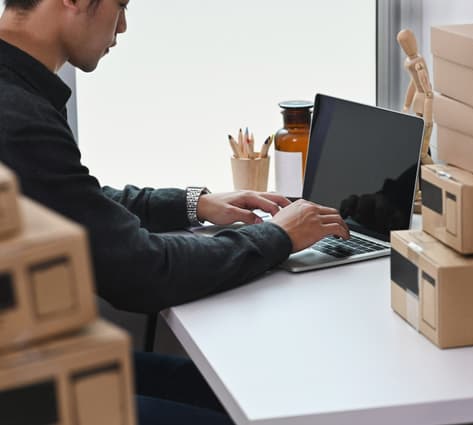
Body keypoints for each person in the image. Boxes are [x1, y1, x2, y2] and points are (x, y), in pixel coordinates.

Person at [0, 0, 349, 424]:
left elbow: (72, 202)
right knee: (258, 407)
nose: (123, 26)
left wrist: (193, 204)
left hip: (24, 363)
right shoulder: (17, 116)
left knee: (241, 391)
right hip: (21, 390)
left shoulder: (17, 93)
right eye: (120, 5)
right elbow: (142, 274)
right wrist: (278, 236)